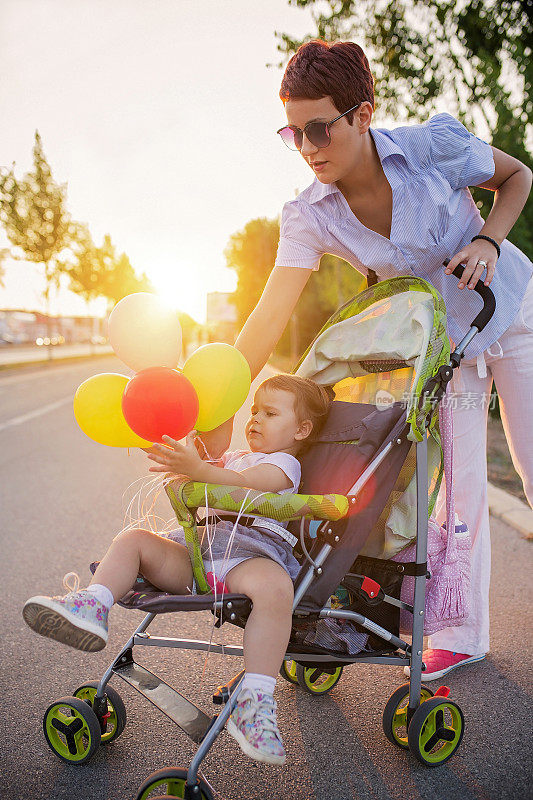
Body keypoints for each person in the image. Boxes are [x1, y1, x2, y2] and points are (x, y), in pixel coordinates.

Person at [200, 40, 533, 682]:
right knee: (458, 487)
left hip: (511, 309)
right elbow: (267, 319)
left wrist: (489, 238)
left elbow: (518, 176)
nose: (309, 146)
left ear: (362, 114)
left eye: (320, 127)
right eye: (294, 133)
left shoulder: (431, 148)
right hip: (442, 348)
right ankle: (462, 634)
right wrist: (218, 406)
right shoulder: (309, 215)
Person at [23, 373, 332, 766]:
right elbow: (212, 469)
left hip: (249, 555)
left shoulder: (284, 464)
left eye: (269, 413)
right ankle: (92, 603)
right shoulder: (235, 454)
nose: (254, 419)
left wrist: (202, 471)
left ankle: (254, 700)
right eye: (254, 410)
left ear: (302, 429)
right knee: (134, 538)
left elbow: (242, 484)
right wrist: (185, 457)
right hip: (199, 551)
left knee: (276, 590)